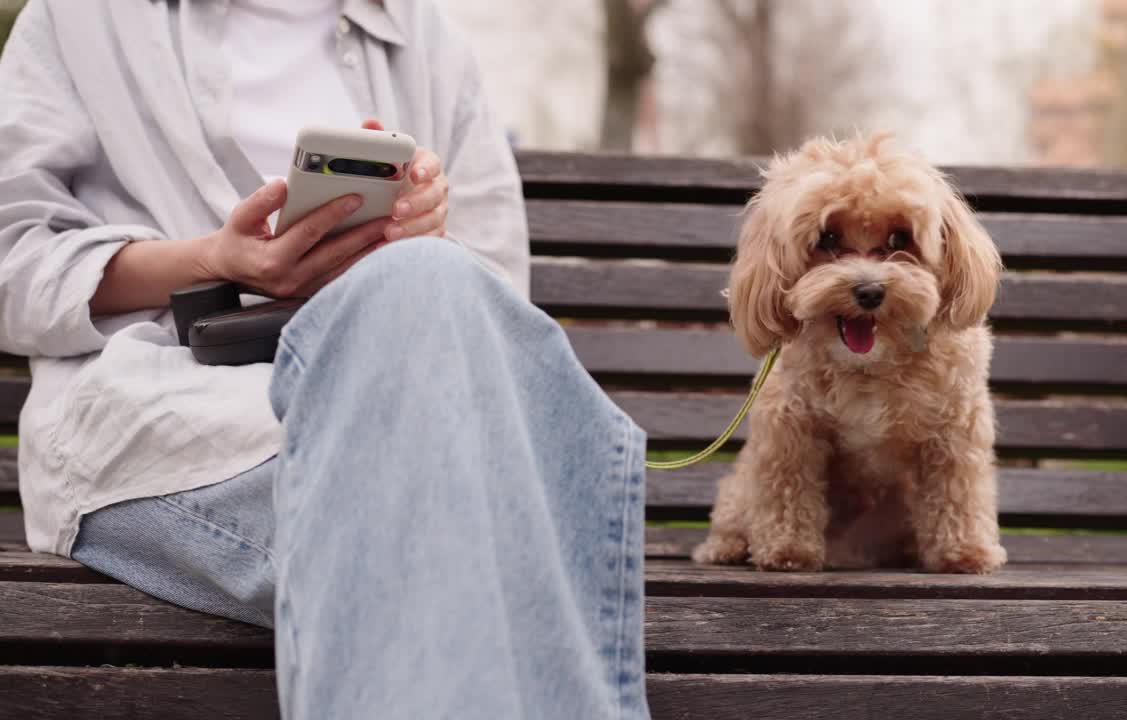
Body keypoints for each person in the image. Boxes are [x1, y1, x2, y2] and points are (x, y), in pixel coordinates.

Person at [0, 1, 650, 718]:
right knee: (470, 525)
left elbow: (496, 309)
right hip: (173, 426)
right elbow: (11, 264)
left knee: (430, 292)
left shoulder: (424, 38)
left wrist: (416, 243)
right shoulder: (82, 18)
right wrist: (213, 260)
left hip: (408, 409)